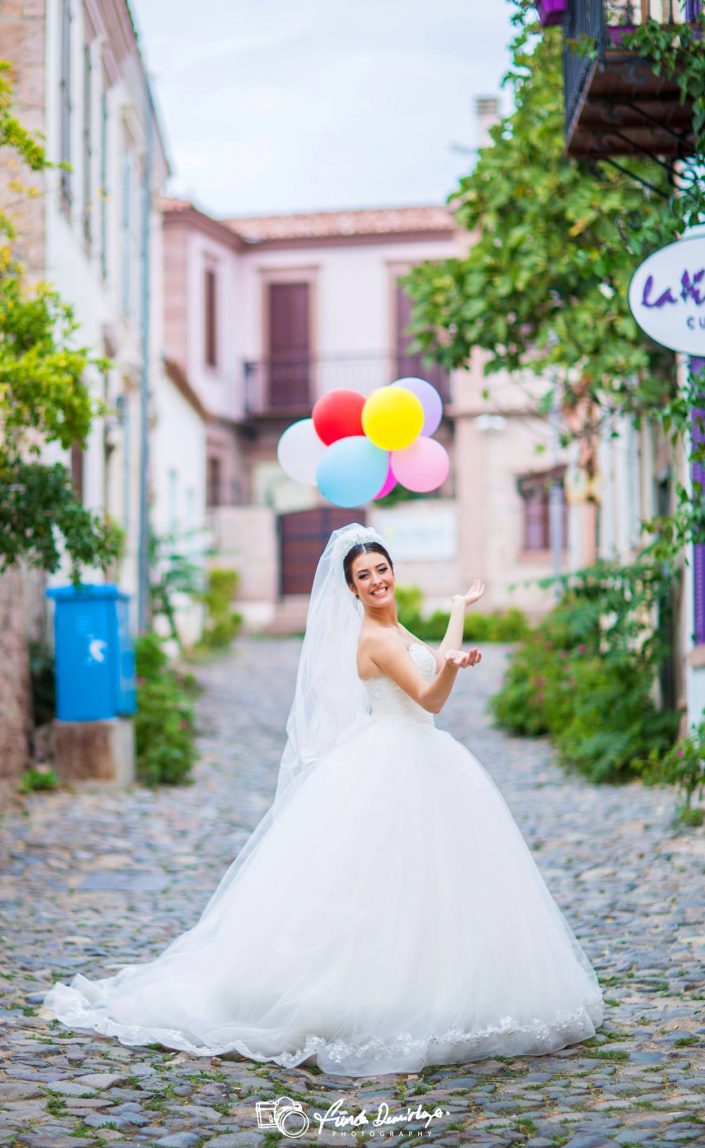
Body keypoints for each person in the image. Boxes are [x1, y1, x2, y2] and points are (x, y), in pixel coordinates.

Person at [41, 523, 604, 1077]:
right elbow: (431, 700)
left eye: (382, 569)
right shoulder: (375, 638)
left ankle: (436, 983)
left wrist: (458, 611)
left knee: (430, 881)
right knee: (379, 884)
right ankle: (375, 995)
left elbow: (433, 662)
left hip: (419, 755)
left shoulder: (394, 626)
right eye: (365, 575)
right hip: (396, 756)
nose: (377, 580)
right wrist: (451, 671)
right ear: (352, 588)